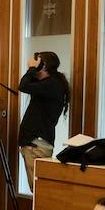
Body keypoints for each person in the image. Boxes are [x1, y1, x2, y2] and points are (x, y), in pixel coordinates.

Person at [17, 50, 70, 192]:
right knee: (39, 190)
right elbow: (27, 84)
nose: (34, 65)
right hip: (36, 144)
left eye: (38, 62)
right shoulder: (50, 84)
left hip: (36, 145)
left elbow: (23, 86)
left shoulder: (52, 84)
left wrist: (31, 69)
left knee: (40, 191)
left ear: (44, 65)